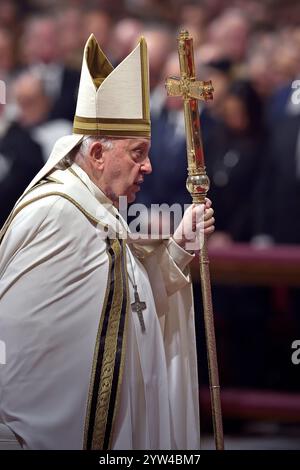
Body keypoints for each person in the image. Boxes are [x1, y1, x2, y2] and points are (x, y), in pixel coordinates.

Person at [0, 34, 214, 450]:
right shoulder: (59, 212)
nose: (148, 166)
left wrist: (179, 248)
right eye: (138, 153)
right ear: (97, 153)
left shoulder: (96, 206)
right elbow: (23, 344)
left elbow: (126, 306)